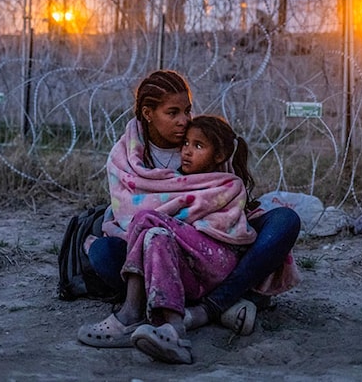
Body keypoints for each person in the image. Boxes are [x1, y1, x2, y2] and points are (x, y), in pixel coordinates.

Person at [78, 70, 300, 347]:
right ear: (148, 113)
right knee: (104, 252)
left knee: (284, 221)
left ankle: (202, 307)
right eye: (172, 113)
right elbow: (127, 215)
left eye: (187, 110)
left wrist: (192, 221)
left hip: (211, 242)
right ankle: (225, 302)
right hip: (154, 246)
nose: (184, 121)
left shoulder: (204, 137)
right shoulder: (126, 157)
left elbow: (228, 197)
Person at [81, 115, 256, 364]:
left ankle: (131, 313)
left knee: (146, 220)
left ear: (218, 156)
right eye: (185, 144)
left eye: (198, 146)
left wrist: (158, 223)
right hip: (190, 268)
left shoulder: (227, 183)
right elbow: (175, 222)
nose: (186, 151)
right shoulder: (179, 181)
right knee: (156, 235)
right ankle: (173, 330)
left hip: (218, 260)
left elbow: (210, 225)